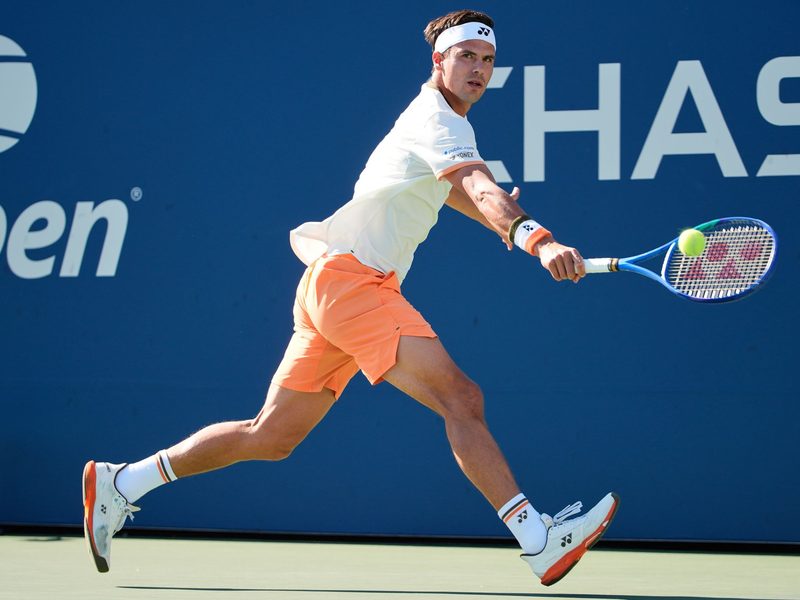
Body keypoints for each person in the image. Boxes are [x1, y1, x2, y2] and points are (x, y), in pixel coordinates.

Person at [82, 10, 619, 587]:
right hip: (352, 282)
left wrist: (503, 224)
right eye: (466, 56)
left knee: (271, 435)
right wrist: (537, 239)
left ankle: (122, 483)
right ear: (438, 60)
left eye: (487, 60)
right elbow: (479, 188)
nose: (479, 69)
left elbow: (459, 192)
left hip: (330, 283)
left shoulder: (438, 126)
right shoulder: (439, 119)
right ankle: (537, 539)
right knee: (460, 397)